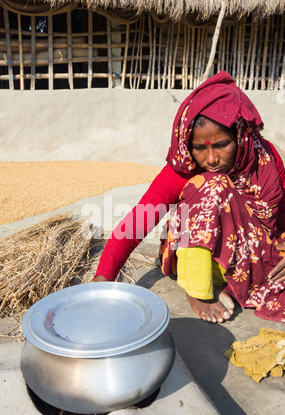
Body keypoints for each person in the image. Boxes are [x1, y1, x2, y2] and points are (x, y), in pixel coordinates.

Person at [94, 71, 285, 324]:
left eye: (222, 145)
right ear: (188, 144)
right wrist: (102, 279)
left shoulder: (266, 159)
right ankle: (198, 292)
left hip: (250, 257)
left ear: (240, 136)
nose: (211, 159)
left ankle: (235, 285)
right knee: (212, 183)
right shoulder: (183, 168)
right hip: (194, 257)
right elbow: (138, 220)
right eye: (199, 148)